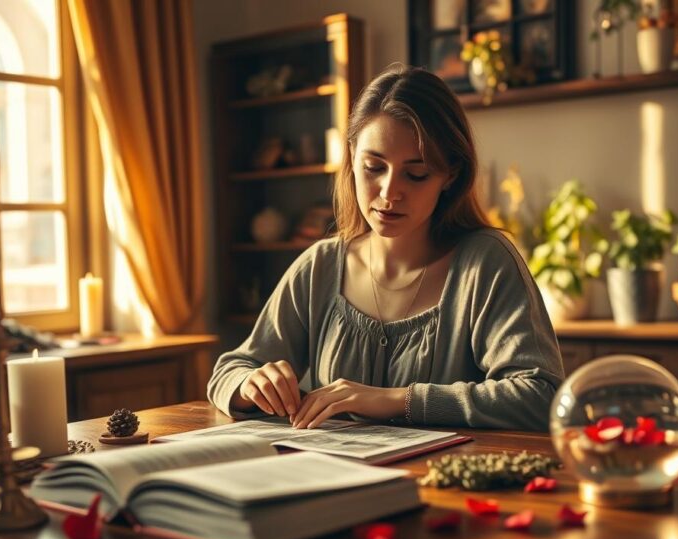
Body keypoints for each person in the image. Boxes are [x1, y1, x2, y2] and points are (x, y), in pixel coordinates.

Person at [207, 64, 563, 431]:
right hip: (333, 479)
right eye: (373, 167)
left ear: (450, 175)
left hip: (441, 485)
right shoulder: (321, 266)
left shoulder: (485, 263)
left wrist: (396, 400)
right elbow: (230, 371)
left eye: (416, 173)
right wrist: (250, 386)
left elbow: (540, 396)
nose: (390, 193)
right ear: (352, 158)